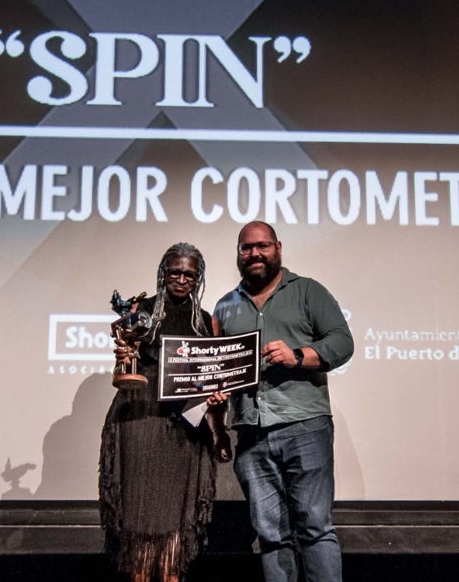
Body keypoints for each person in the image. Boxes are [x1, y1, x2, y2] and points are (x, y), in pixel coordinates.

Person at [213, 222, 354, 582]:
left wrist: (298, 355)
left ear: (278, 247)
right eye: (246, 248)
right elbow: (217, 365)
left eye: (262, 246)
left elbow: (342, 342)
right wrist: (216, 388)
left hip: (304, 425)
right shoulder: (225, 306)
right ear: (238, 253)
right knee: (271, 537)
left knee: (315, 528)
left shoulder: (307, 291)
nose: (254, 254)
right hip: (251, 433)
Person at [99, 242, 232, 582]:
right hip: (140, 419)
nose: (182, 279)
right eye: (175, 271)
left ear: (198, 278)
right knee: (142, 519)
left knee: (174, 521)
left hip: (184, 428)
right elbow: (122, 363)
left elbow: (210, 376)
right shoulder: (139, 310)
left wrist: (216, 408)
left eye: (190, 274)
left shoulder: (204, 322)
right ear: (162, 272)